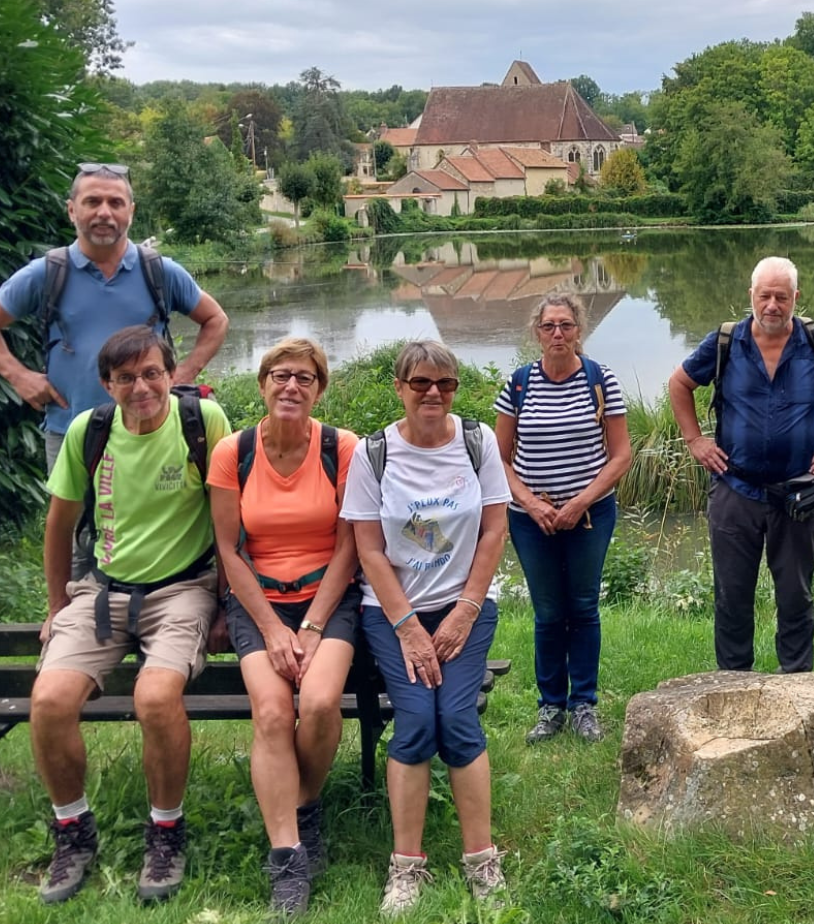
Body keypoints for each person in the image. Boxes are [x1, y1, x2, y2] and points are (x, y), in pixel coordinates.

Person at [29, 326, 231, 904]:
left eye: (151, 374)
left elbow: (230, 523)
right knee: (48, 700)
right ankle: (73, 830)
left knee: (155, 697)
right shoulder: (88, 433)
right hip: (103, 589)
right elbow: (60, 525)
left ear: (172, 374)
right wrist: (56, 605)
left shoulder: (204, 423)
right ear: (106, 384)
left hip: (184, 588)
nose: (140, 387)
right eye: (126, 378)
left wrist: (225, 604)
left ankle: (166, 831)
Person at [341, 342, 510, 913]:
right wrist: (409, 628)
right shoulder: (374, 454)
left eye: (445, 383)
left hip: (465, 607)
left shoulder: (478, 443)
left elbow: (493, 532)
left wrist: (464, 608)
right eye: (419, 383)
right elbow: (368, 549)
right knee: (416, 720)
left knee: (457, 717)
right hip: (391, 613)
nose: (433, 393)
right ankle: (406, 867)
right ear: (399, 387)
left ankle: (481, 860)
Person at [207, 338, 360, 915]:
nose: (291, 386)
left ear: (319, 389)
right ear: (263, 384)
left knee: (319, 704)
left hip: (330, 596)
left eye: (304, 377)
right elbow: (229, 547)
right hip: (258, 601)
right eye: (280, 375)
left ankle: (304, 802)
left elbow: (351, 544)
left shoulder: (342, 447)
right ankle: (288, 859)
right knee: (272, 712)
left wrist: (315, 623)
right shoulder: (233, 451)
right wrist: (273, 629)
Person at [0, 162, 229, 474]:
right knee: (78, 524)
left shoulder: (159, 271)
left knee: (157, 522)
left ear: (131, 211)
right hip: (72, 434)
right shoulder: (47, 273)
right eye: (92, 202)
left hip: (152, 430)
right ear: (72, 210)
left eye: (115, 203)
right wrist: (19, 377)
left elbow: (216, 319)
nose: (104, 212)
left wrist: (182, 375)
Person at [667, 256, 814, 674]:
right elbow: (679, 383)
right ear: (750, 296)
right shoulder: (725, 341)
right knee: (732, 594)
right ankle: (735, 681)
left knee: (795, 595)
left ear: (796, 297)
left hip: (797, 492)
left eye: (781, 296)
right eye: (764, 296)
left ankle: (795, 681)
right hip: (735, 489)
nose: (772, 305)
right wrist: (695, 440)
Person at [495, 295, 633, 744]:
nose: (558, 334)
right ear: (536, 331)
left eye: (567, 326)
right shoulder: (516, 385)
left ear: (580, 331)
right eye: (549, 326)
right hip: (529, 519)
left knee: (583, 607)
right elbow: (499, 460)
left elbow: (620, 455)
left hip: (590, 515)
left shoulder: (601, 380)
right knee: (548, 611)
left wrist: (579, 503)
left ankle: (584, 705)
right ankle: (550, 706)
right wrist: (533, 504)